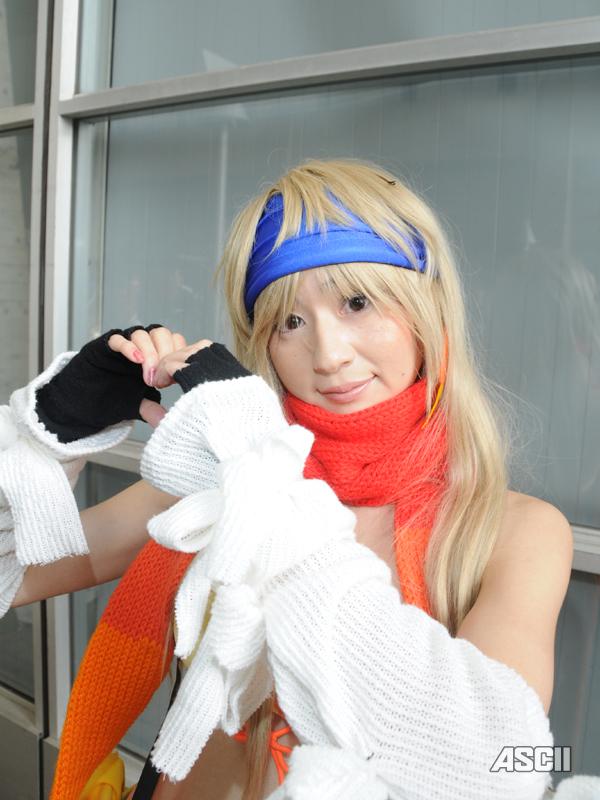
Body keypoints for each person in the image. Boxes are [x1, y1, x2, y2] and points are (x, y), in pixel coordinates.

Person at [2, 157, 592, 800]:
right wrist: (46, 437)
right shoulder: (216, 490)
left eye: (358, 302)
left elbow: (506, 763)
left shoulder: (515, 532)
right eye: (291, 321)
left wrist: (260, 481)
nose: (329, 354)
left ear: (428, 312)